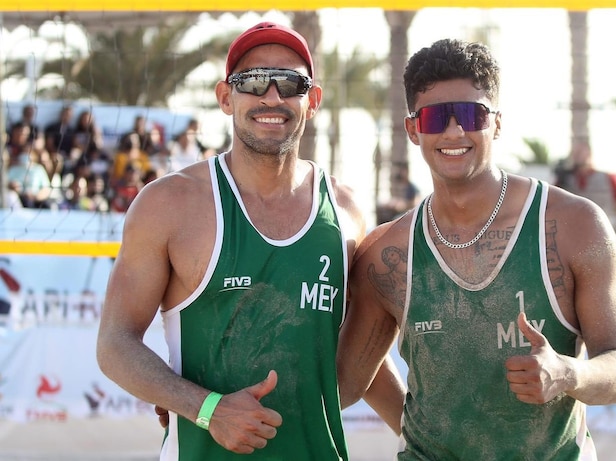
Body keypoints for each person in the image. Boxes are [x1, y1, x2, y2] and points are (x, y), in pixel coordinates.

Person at [96, 21, 402, 460]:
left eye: (290, 84)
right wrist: (206, 408)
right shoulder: (170, 203)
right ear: (226, 97)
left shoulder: (348, 212)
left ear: (312, 100)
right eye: (253, 82)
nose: (272, 97)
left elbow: (362, 355)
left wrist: (422, 440)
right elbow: (114, 343)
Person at [337, 38, 616, 460]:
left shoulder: (576, 225)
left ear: (496, 122)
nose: (454, 131)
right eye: (436, 117)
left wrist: (569, 373)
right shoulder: (387, 253)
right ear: (413, 129)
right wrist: (411, 430)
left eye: (471, 114)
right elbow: (351, 380)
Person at [554, 141, 616, 233]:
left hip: (603, 229)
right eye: (574, 153)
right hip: (574, 232)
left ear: (589, 153)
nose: (576, 156)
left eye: (579, 152)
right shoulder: (565, 179)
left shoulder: (608, 177)